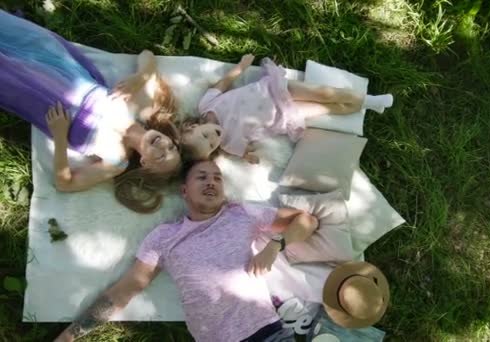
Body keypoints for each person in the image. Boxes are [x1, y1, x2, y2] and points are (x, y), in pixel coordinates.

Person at [54, 159, 320, 342]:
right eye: (201, 177)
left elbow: (307, 220)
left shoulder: (242, 213)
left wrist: (275, 244)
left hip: (266, 332)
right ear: (184, 191)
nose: (211, 182)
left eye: (217, 178)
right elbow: (125, 290)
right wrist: (71, 334)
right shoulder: (164, 238)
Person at [0, 10, 181, 212]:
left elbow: (64, 184)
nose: (164, 146)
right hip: (65, 69)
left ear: (145, 163)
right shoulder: (145, 110)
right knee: (20, 33)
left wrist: (60, 137)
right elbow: (147, 55)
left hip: (43, 97)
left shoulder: (116, 162)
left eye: (161, 157)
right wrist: (140, 78)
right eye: (172, 147)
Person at [179, 54, 394, 163]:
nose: (214, 138)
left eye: (205, 135)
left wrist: (242, 66)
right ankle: (367, 106)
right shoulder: (228, 145)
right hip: (284, 117)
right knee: (325, 109)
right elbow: (246, 152)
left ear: (192, 126)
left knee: (324, 93)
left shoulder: (206, 104)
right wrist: (249, 157)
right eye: (210, 145)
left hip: (274, 90)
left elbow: (224, 83)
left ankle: (370, 100)